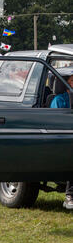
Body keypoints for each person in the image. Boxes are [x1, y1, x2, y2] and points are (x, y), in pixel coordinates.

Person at [49, 74, 73, 209]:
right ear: (65, 83)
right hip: (61, 139)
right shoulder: (59, 100)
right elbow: (55, 123)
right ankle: (70, 195)